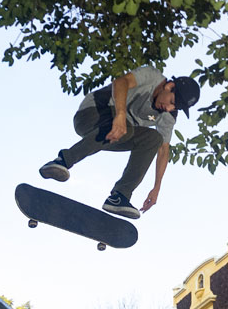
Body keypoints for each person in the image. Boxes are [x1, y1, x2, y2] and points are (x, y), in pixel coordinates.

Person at [38, 67, 200, 220]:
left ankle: (119, 196)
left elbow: (164, 150)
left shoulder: (169, 115)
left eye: (174, 107)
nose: (169, 108)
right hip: (92, 113)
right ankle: (63, 161)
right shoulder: (152, 76)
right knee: (126, 129)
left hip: (111, 134)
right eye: (171, 101)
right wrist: (120, 115)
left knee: (154, 139)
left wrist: (156, 187)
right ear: (169, 86)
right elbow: (121, 82)